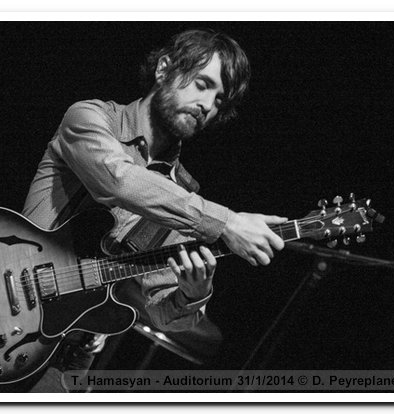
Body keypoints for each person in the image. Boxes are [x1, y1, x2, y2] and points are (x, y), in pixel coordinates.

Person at [22, 28, 287, 392]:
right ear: (164, 70)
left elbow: (164, 314)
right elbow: (119, 181)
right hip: (9, 306)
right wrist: (227, 222)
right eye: (201, 84)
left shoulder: (183, 196)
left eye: (220, 101)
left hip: (66, 361)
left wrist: (193, 292)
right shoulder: (91, 118)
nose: (208, 105)